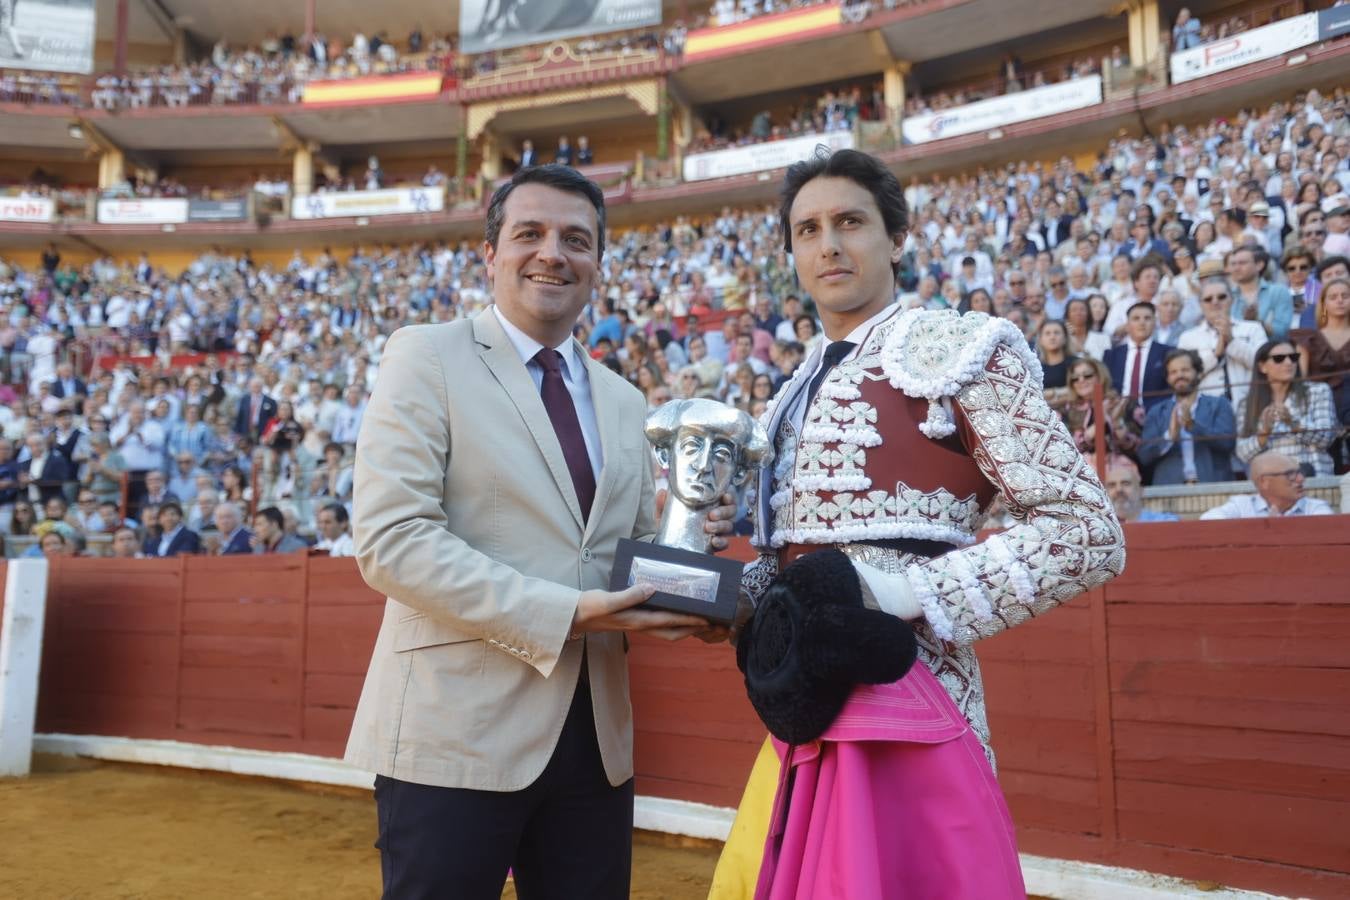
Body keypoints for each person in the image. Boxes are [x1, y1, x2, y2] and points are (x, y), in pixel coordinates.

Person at [711, 149, 1124, 900]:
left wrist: (905, 592)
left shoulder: (960, 350)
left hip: (914, 690)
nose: (828, 245)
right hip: (799, 702)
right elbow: (796, 560)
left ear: (897, 238)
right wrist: (725, 593)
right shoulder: (790, 390)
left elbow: (1086, 530)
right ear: (792, 254)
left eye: (849, 223)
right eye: (807, 230)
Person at [344, 165, 733, 900]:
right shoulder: (426, 354)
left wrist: (692, 560)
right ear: (490, 254)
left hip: (594, 739)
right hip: (455, 732)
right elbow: (393, 540)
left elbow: (626, 556)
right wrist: (566, 613)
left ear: (597, 266)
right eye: (531, 234)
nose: (553, 252)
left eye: (576, 240)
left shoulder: (624, 398)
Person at [1235, 340, 1339, 477]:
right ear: (1262, 367)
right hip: (1271, 482)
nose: (1288, 362)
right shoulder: (1248, 404)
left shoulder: (1318, 391)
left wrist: (1293, 423)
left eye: (1293, 357)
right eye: (1279, 359)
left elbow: (1327, 438)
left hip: (1312, 479)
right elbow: (1242, 453)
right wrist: (1264, 434)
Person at [1138, 349, 1237, 484]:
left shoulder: (1219, 404)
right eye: (1173, 372)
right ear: (1167, 378)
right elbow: (1144, 456)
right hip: (1170, 491)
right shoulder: (1157, 412)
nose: (1179, 375)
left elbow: (1228, 444)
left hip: (1213, 486)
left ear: (1198, 373)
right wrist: (1169, 437)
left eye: (1185, 370)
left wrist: (1193, 426)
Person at [1179, 275, 1269, 420]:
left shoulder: (1253, 329)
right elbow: (1185, 377)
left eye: (1221, 297)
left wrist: (1232, 341)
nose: (1215, 302)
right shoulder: (1187, 338)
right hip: (1206, 412)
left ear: (1231, 300)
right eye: (1208, 299)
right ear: (1201, 304)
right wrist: (1216, 355)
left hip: (1249, 406)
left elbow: (1265, 365)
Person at [1200, 452, 1333, 518]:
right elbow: (1207, 521)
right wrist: (1263, 530)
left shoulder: (1315, 507)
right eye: (1290, 474)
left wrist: (1279, 530)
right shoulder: (1241, 506)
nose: (1300, 479)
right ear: (1264, 482)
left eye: (1299, 472)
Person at [1104, 301, 1174, 413]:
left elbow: (1170, 389)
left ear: (1155, 323)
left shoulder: (1168, 352)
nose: (1142, 323)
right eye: (1136, 318)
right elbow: (1106, 388)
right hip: (1118, 415)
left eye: (1147, 318)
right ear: (1127, 325)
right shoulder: (1111, 355)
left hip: (1155, 414)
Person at [1104, 456, 1178, 522]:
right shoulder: (1100, 528)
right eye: (1112, 485)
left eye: (1126, 483)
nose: (1119, 489)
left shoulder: (1165, 522)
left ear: (1140, 491)